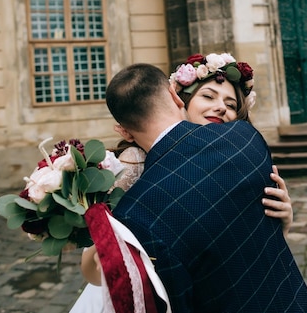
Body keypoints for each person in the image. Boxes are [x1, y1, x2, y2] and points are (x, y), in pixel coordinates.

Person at [70, 54, 295, 313]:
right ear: (178, 99)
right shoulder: (134, 165)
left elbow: (246, 247)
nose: (221, 107)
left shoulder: (239, 155)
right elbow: (97, 265)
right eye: (208, 97)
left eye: (231, 104)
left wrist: (280, 225)